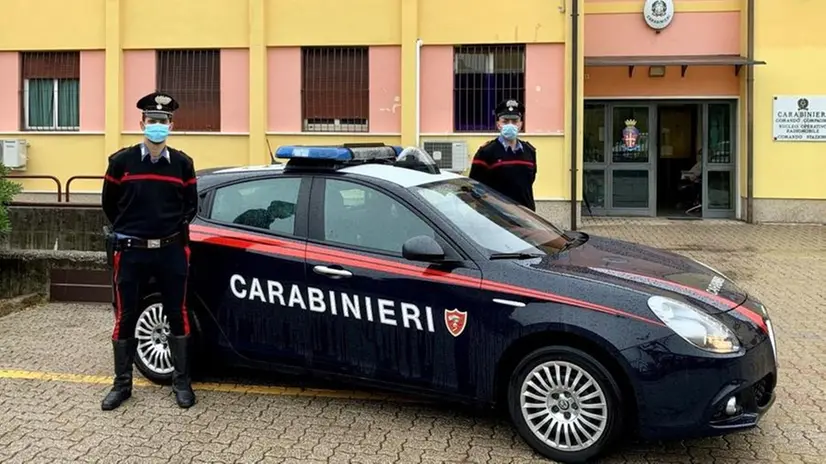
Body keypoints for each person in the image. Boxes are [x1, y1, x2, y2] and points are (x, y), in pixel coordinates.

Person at [100, 91, 198, 410]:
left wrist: (167, 231)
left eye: (164, 121)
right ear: (141, 122)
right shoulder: (120, 162)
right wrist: (134, 230)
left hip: (170, 251)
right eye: (153, 120)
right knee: (126, 316)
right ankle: (121, 385)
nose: (158, 125)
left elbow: (190, 207)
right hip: (131, 250)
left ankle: (181, 384)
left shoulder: (183, 164)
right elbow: (109, 204)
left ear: (172, 125)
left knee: (177, 314)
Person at [468, 99, 537, 211]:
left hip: (526, 216)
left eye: (514, 121)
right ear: (498, 124)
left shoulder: (529, 151)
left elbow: (529, 182)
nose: (510, 125)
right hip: (497, 218)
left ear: (521, 124)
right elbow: (476, 189)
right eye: (505, 121)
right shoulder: (486, 152)